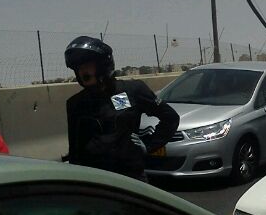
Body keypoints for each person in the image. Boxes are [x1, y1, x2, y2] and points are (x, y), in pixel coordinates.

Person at [63, 36, 179, 182]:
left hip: (130, 177)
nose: (82, 71)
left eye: (86, 65)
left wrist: (149, 145)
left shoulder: (132, 91)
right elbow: (75, 149)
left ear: (102, 65)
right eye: (78, 67)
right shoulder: (76, 103)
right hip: (95, 180)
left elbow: (170, 117)